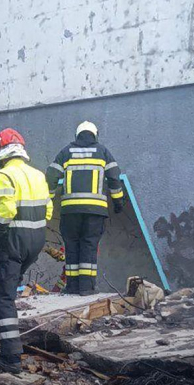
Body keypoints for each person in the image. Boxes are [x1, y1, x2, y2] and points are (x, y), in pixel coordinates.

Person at [0, 128, 53, 374]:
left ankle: (11, 358)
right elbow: (48, 210)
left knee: (4, 297)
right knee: (8, 282)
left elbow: (5, 212)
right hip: (37, 239)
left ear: (2, 153)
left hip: (14, 240)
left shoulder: (4, 175)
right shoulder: (38, 175)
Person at [45, 121, 125, 296]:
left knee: (71, 245)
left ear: (77, 135)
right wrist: (118, 202)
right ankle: (86, 288)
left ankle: (72, 286)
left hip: (70, 211)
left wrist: (48, 200)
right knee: (89, 245)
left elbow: (51, 176)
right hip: (95, 211)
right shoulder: (103, 152)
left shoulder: (65, 152)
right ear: (95, 134)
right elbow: (114, 177)